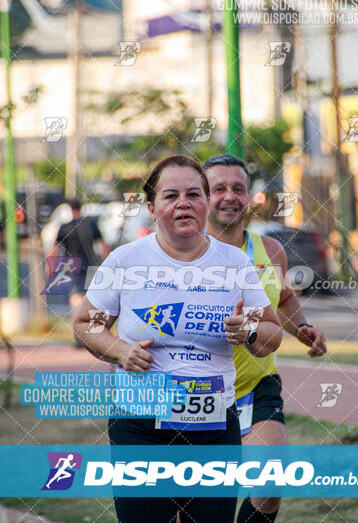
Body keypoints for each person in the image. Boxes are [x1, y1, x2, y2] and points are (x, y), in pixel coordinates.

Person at [74, 155, 282, 523]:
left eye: (193, 194)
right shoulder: (126, 261)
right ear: (152, 207)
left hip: (214, 427)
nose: (183, 203)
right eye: (171, 195)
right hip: (140, 425)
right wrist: (121, 350)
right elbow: (84, 323)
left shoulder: (235, 263)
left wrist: (248, 331)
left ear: (205, 203)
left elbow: (271, 334)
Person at [204, 154, 327, 523]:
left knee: (269, 483)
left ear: (249, 197)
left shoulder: (270, 251)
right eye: (218, 188)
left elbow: (285, 298)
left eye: (238, 188)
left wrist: (301, 328)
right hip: (196, 392)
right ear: (201, 196)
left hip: (256, 383)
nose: (229, 196)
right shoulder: (182, 252)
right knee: (193, 504)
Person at [47, 198, 109, 311]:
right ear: (80, 208)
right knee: (88, 293)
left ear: (70, 209)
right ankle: (85, 318)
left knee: (75, 294)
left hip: (71, 265)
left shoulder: (65, 227)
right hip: (90, 263)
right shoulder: (91, 225)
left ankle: (78, 318)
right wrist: (105, 264)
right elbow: (104, 246)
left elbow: (54, 249)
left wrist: (50, 267)